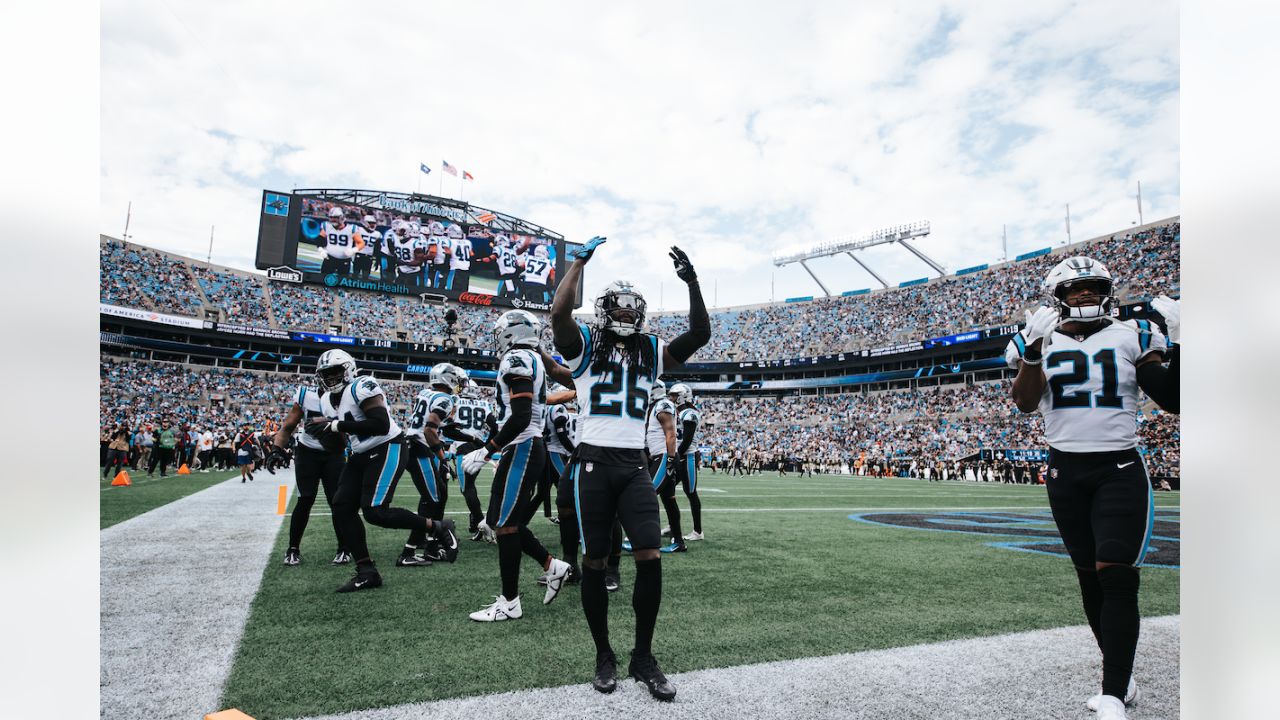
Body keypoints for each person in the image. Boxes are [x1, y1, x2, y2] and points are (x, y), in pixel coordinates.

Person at [1005, 257, 1179, 720]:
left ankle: (1112, 694)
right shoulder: (1034, 338)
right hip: (1065, 471)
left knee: (1116, 573)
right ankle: (1120, 674)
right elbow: (1024, 403)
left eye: (1093, 286)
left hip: (1118, 466)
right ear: (1057, 297)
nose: (1084, 294)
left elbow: (1173, 399)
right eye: (1075, 288)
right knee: (1089, 577)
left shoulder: (1134, 334)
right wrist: (1033, 352)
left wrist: (1182, 343)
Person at [549, 237, 710, 700]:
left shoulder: (651, 350)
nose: (624, 315)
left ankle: (643, 656)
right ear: (603, 311)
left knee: (650, 558)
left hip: (634, 466)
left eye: (630, 309)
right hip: (593, 464)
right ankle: (604, 654)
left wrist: (692, 282)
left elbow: (700, 333)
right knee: (595, 562)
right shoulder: (584, 346)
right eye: (616, 308)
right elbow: (559, 315)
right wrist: (579, 261)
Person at [311, 349, 458, 593]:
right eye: (326, 375)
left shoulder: (363, 385)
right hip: (360, 454)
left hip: (388, 446)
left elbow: (380, 424)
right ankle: (366, 571)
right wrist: (324, 433)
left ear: (348, 369)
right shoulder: (326, 400)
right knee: (341, 507)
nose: (331, 379)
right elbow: (338, 441)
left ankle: (438, 527)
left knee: (376, 511)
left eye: (335, 372)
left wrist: (335, 425)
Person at [461, 311, 573, 621]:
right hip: (521, 445)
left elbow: (522, 416)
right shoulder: (530, 357)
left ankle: (509, 603)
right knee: (499, 521)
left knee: (507, 525)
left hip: (523, 445)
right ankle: (553, 566)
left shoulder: (517, 359)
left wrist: (487, 450)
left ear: (511, 333)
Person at [271, 383, 351, 566]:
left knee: (336, 501)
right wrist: (276, 449)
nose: (332, 378)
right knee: (305, 499)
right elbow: (288, 425)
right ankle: (293, 549)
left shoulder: (349, 394)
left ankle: (344, 547)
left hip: (335, 453)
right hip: (308, 452)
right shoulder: (307, 394)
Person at [399, 362, 468, 566]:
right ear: (448, 378)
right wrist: (443, 458)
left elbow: (435, 426)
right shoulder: (445, 398)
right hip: (419, 449)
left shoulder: (426, 394)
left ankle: (430, 546)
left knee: (437, 496)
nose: (459, 384)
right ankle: (410, 552)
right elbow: (430, 430)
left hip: (414, 446)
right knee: (435, 498)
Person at [447, 379, 498, 542]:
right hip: (477, 448)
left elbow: (447, 424)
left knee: (467, 488)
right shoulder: (484, 404)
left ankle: (483, 524)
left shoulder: (454, 400)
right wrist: (487, 444)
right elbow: (495, 427)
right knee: (469, 488)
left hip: (464, 446)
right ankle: (477, 524)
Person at [645, 380, 686, 554]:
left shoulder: (663, 404)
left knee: (645, 496)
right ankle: (678, 541)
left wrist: (669, 459)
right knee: (669, 501)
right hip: (661, 455)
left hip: (664, 456)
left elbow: (670, 433)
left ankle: (644, 540)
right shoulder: (659, 405)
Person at [669, 384, 705, 542]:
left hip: (687, 457)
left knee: (691, 492)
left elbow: (687, 439)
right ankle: (672, 526)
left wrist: (676, 455)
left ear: (683, 395)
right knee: (667, 490)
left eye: (675, 395)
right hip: (679, 456)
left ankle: (698, 531)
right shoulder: (677, 412)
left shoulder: (689, 413)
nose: (672, 398)